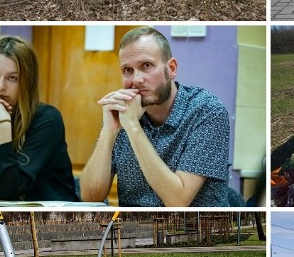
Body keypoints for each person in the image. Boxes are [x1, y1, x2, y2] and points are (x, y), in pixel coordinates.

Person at [81, 27, 232, 206]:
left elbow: (177, 202)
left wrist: (133, 127)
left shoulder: (207, 111)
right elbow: (90, 197)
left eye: (146, 66)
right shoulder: (123, 112)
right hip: (133, 229)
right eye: (127, 70)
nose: (136, 79)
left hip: (192, 229)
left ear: (171, 69)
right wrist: (109, 131)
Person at [0, 36, 79, 202]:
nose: (0, 86)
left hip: (50, 216)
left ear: (27, 82)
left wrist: (2, 126)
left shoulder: (47, 119)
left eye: (12, 78)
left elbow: (9, 191)